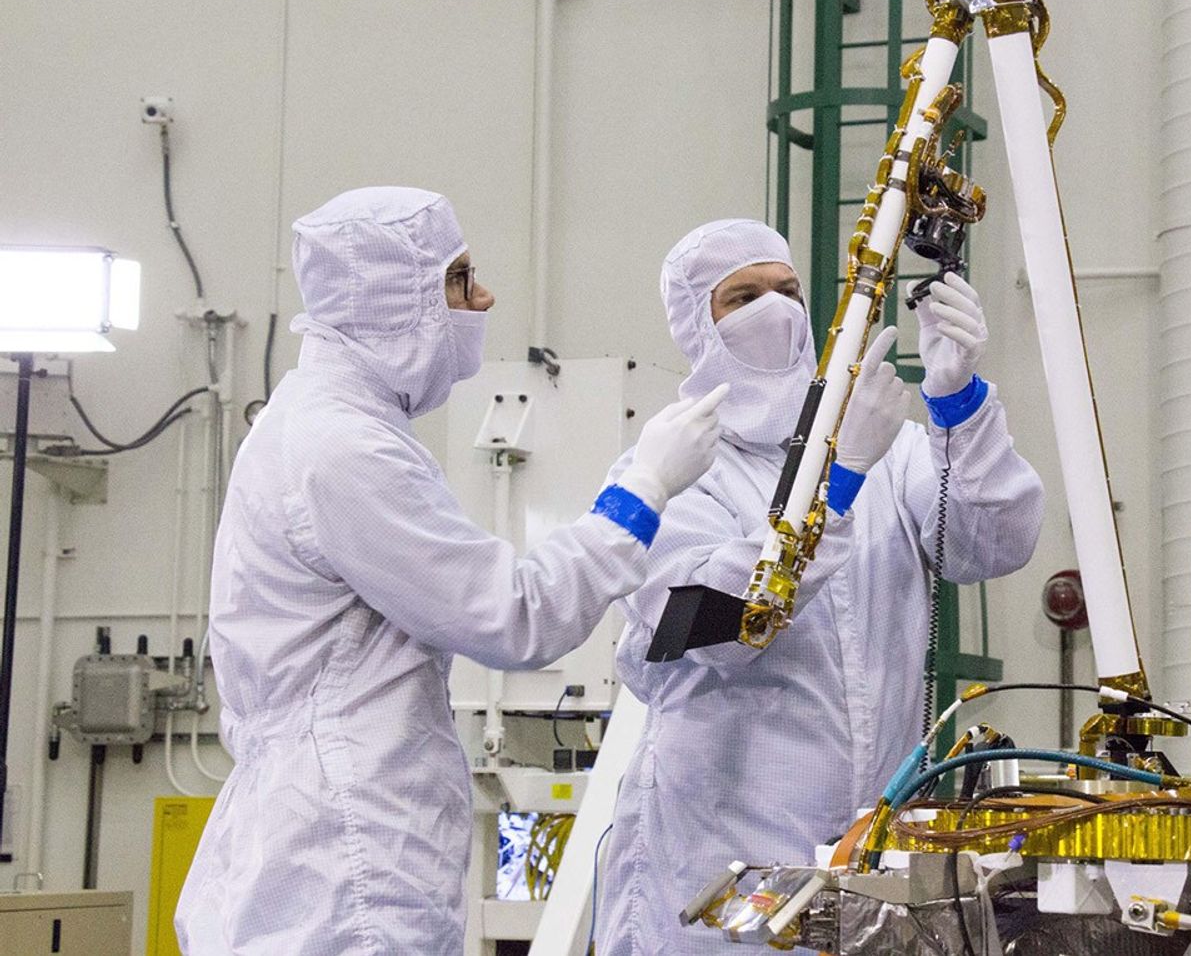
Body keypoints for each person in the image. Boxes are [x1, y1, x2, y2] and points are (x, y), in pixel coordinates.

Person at [174, 187, 727, 956]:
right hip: (346, 859)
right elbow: (514, 615)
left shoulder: (330, 426)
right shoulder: (343, 450)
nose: (485, 296)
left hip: (331, 834)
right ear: (390, 301)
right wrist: (643, 491)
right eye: (460, 279)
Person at [595, 218, 1045, 954]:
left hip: (864, 862)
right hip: (717, 864)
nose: (773, 310)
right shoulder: (670, 465)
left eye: (787, 291)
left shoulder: (887, 446)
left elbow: (992, 542)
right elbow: (710, 626)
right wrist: (835, 492)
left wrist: (955, 404)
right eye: (741, 297)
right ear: (694, 325)